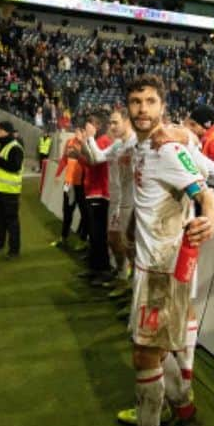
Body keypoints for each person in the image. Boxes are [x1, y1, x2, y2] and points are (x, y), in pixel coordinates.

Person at [97, 74, 214, 426]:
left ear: (162, 106)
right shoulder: (141, 146)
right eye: (136, 102)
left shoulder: (168, 149)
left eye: (151, 101)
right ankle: (186, 418)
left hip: (164, 274)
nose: (143, 109)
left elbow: (206, 191)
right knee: (161, 352)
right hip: (151, 268)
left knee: (144, 356)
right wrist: (129, 229)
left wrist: (211, 216)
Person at [82, 109, 137, 296]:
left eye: (115, 122)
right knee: (114, 240)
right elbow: (97, 157)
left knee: (130, 246)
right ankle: (123, 276)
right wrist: (89, 139)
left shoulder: (136, 143)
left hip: (132, 202)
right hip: (117, 201)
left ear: (127, 121)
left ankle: (131, 284)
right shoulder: (119, 144)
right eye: (110, 123)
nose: (111, 127)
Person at [79, 110, 114, 284]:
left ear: (98, 126)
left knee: (99, 235)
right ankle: (94, 268)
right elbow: (90, 161)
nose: (87, 126)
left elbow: (95, 161)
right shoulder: (99, 140)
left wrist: (86, 142)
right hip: (92, 190)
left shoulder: (104, 141)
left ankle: (103, 271)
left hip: (100, 192)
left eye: (90, 123)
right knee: (94, 234)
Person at [0, 121, 23, 259]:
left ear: (7, 132)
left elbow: (15, 167)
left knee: (12, 222)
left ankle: (14, 250)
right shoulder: (2, 145)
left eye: (0, 130)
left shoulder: (15, 147)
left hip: (10, 191)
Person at [51, 127, 87, 250]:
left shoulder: (86, 145)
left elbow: (88, 164)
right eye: (76, 131)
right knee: (66, 210)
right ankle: (63, 237)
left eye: (80, 131)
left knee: (85, 212)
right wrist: (58, 174)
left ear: (84, 133)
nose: (77, 134)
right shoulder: (69, 142)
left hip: (81, 184)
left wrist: (79, 151)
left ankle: (83, 240)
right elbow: (64, 160)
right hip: (68, 183)